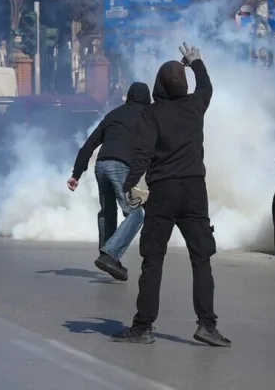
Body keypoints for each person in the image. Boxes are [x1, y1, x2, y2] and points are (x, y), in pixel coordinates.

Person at [111, 43, 230, 347]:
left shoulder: (152, 114)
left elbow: (143, 153)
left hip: (163, 191)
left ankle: (143, 327)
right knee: (201, 258)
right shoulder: (195, 105)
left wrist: (130, 185)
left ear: (158, 85)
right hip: (194, 190)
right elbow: (206, 86)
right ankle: (207, 325)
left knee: (153, 259)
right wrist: (196, 61)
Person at [67, 82, 152, 281]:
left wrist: (76, 174)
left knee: (108, 212)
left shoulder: (113, 115)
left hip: (101, 165)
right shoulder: (147, 117)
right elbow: (152, 149)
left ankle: (108, 254)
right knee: (136, 213)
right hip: (120, 166)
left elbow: (89, 145)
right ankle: (110, 254)